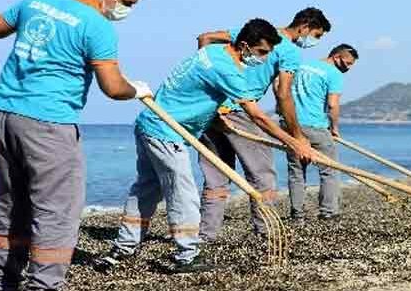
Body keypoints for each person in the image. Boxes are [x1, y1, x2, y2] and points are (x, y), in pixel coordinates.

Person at [0, 0, 152, 291]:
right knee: (57, 208)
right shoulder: (97, 26)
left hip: (2, 112)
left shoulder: (38, 1)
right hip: (48, 121)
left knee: (11, 204)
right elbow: (113, 88)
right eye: (127, 2)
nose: (126, 10)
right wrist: (136, 91)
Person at [96, 18, 313, 273]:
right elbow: (258, 116)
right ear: (244, 45)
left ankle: (123, 247)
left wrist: (215, 117)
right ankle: (186, 254)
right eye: (261, 52)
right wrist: (294, 142)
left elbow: (198, 92)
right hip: (166, 132)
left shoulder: (211, 52)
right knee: (182, 192)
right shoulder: (227, 70)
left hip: (149, 125)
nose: (264, 59)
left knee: (147, 189)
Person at [195, 8, 331, 241]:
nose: (313, 41)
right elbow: (284, 93)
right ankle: (265, 234)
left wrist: (211, 75)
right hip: (242, 111)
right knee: (263, 177)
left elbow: (204, 38)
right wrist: (297, 135)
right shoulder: (288, 51)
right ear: (304, 27)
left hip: (212, 111)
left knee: (216, 178)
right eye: (316, 35)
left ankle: (206, 236)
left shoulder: (252, 33)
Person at [286, 44, 358, 221]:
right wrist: (334, 128)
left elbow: (282, 89)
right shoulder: (333, 74)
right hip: (316, 126)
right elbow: (333, 105)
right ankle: (328, 212)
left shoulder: (301, 67)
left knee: (296, 171)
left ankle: (298, 215)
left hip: (291, 125)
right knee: (329, 170)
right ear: (336, 57)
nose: (348, 68)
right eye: (347, 63)